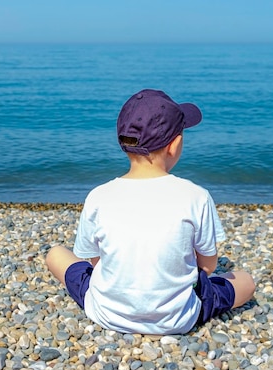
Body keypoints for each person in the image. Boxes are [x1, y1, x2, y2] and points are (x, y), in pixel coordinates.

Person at [46, 89, 255, 334]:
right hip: (178, 317)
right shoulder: (195, 196)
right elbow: (207, 266)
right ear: (174, 145)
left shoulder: (98, 196)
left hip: (107, 313)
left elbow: (96, 260)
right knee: (246, 282)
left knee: (56, 254)